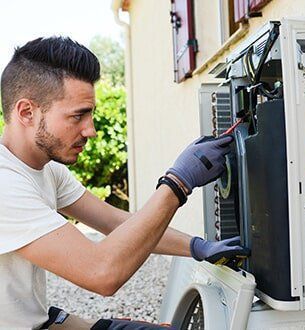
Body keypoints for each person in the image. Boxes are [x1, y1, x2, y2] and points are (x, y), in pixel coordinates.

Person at [0, 37, 249, 329]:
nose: (90, 130)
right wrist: (177, 183)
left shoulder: (44, 169)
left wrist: (197, 246)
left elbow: (115, 222)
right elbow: (102, 273)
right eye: (77, 116)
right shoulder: (6, 185)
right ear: (27, 112)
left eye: (89, 114)